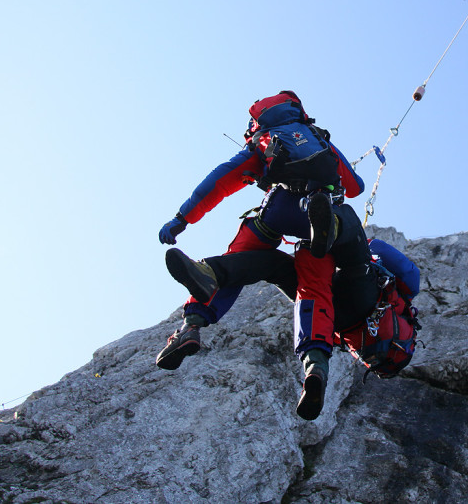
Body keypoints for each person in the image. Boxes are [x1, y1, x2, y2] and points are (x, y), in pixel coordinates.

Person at [157, 91, 366, 420]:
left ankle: (193, 321)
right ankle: (315, 369)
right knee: (314, 289)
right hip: (321, 214)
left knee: (242, 255)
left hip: (280, 208)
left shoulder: (263, 141)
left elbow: (217, 182)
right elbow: (356, 187)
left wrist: (182, 218)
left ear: (257, 120)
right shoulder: (318, 138)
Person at [155, 236, 420, 371]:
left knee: (271, 264)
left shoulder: (411, 289)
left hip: (351, 302)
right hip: (336, 321)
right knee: (279, 266)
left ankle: (205, 288)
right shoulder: (399, 306)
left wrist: (365, 242)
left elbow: (381, 250)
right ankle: (315, 370)